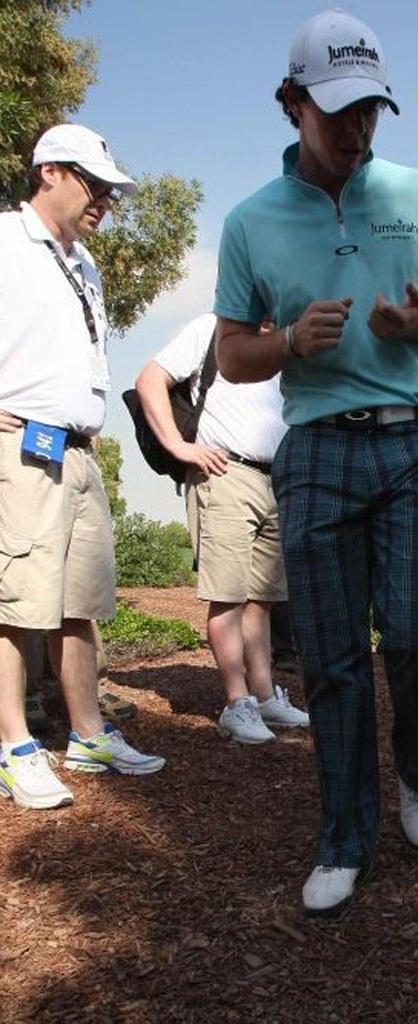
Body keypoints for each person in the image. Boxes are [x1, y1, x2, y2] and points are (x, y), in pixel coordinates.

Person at [214, 10, 418, 916]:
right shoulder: (251, 222)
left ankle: (417, 762)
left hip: (414, 437)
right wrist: (288, 339)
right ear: (291, 103)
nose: (357, 130)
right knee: (331, 661)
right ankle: (343, 838)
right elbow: (230, 355)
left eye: (370, 109)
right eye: (337, 112)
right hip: (320, 444)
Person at [0, 124, 165, 811]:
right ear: (50, 173)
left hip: (75, 450)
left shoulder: (84, 263)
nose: (106, 200)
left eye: (111, 190)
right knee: (17, 604)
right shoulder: (7, 243)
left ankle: (89, 735)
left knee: (80, 604)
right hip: (20, 448)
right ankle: (14, 746)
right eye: (94, 184)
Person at [134, 312, 309, 743]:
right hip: (224, 473)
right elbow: (149, 380)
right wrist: (180, 446)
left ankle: (264, 695)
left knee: (262, 600)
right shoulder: (212, 327)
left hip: (274, 480)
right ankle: (237, 702)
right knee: (228, 597)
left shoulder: (286, 341)